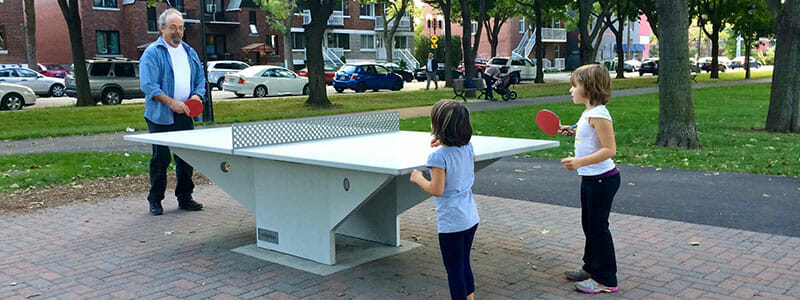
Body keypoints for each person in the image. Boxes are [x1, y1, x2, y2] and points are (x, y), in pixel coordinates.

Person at [558, 64, 620, 294]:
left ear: (590, 88)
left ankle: (606, 279)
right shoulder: (588, 113)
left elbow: (610, 149)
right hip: (592, 179)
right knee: (589, 225)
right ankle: (591, 267)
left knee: (598, 228)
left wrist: (579, 162)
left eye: (575, 85)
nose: (571, 90)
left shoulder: (599, 114)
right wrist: (572, 130)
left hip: (603, 180)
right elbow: (586, 131)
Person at [139, 8, 206, 216]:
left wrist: (197, 96)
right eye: (172, 28)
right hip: (161, 114)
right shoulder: (152, 53)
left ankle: (185, 197)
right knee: (161, 158)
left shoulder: (189, 52)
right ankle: (155, 200)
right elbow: (149, 86)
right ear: (161, 28)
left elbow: (200, 79)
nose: (177, 32)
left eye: (180, 27)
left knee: (185, 158)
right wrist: (171, 103)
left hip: (185, 113)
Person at [410, 100, 478, 300]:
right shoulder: (468, 147)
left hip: (451, 223)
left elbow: (436, 189)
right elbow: (463, 158)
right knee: (464, 263)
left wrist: (418, 178)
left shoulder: (437, 158)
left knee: (454, 270)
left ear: (439, 127)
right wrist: (446, 143)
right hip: (470, 218)